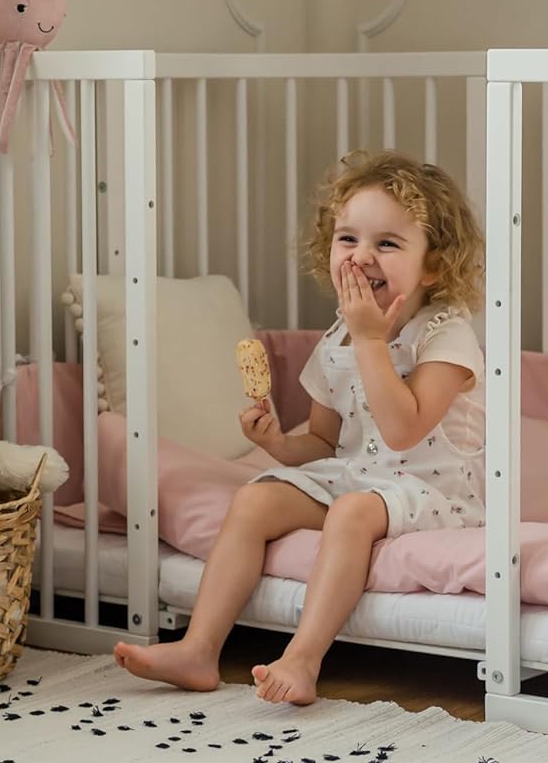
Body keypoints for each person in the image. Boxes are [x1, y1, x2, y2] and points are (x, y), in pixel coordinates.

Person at [115, 150, 487, 705]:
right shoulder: (340, 335)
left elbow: (405, 429)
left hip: (435, 489)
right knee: (254, 499)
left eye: (387, 243)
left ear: (432, 265)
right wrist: (275, 444)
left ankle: (303, 657)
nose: (362, 257)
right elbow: (322, 444)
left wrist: (371, 342)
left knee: (352, 511)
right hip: (362, 474)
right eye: (348, 240)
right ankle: (198, 649)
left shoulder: (444, 334)